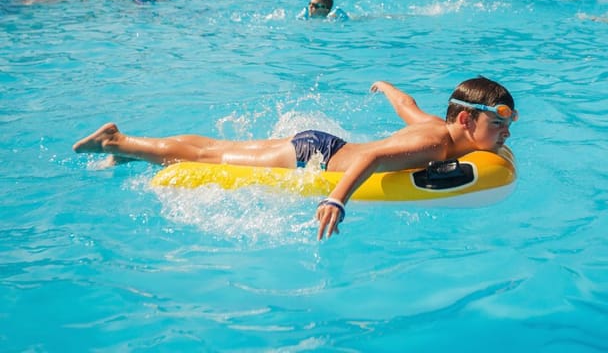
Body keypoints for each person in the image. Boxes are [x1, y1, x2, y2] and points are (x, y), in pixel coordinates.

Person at [72, 77, 517, 239]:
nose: (506, 133)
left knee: (212, 148)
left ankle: (126, 149)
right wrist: (336, 201)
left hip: (323, 145)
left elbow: (408, 106)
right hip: (315, 159)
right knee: (209, 156)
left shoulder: (437, 128)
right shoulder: (436, 145)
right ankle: (118, 142)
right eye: (498, 125)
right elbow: (377, 157)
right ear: (463, 120)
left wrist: (386, 87)